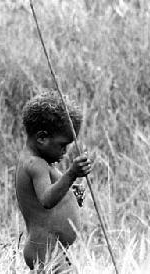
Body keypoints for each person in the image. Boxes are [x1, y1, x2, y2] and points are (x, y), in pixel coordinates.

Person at [15, 90, 94, 272]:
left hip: (51, 248)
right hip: (44, 249)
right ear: (42, 138)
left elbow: (53, 189)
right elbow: (47, 199)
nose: (65, 152)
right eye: (62, 145)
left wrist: (71, 191)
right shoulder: (35, 164)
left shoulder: (41, 161)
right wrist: (72, 173)